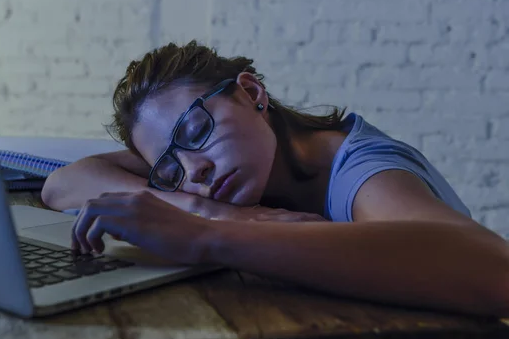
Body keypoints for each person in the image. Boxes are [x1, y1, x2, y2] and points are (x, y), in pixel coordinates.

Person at [41, 40, 509, 317]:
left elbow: (496, 273)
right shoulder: (203, 171)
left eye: (195, 129)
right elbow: (64, 182)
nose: (194, 170)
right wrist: (199, 206)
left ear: (251, 93)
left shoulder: (363, 170)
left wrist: (208, 235)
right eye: (170, 167)